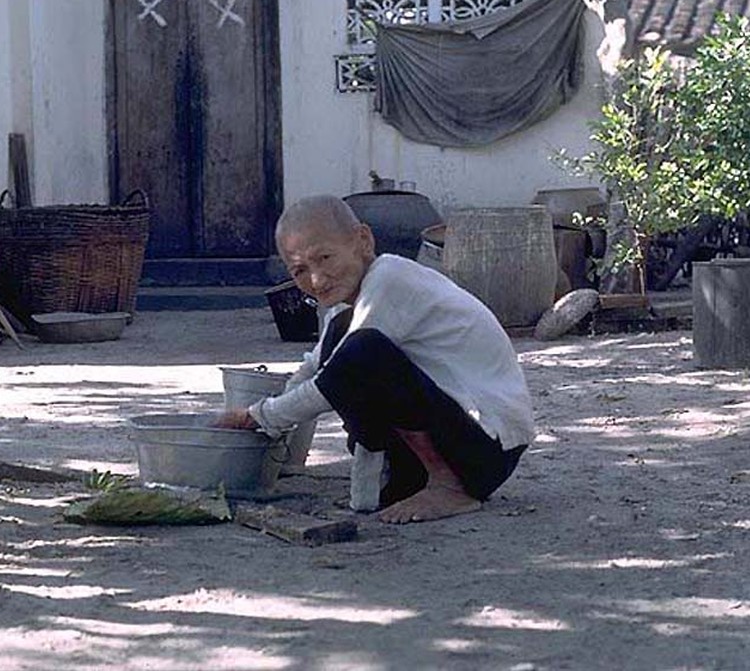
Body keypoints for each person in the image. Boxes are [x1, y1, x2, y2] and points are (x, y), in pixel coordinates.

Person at [216, 195, 534, 523]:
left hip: (487, 450)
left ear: (363, 241)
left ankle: (450, 486)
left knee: (362, 353)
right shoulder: (344, 305)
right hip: (453, 435)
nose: (316, 279)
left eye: (324, 258)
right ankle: (404, 480)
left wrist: (257, 417)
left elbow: (335, 380)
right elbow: (313, 368)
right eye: (299, 270)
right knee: (343, 345)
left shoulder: (391, 278)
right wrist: (268, 443)